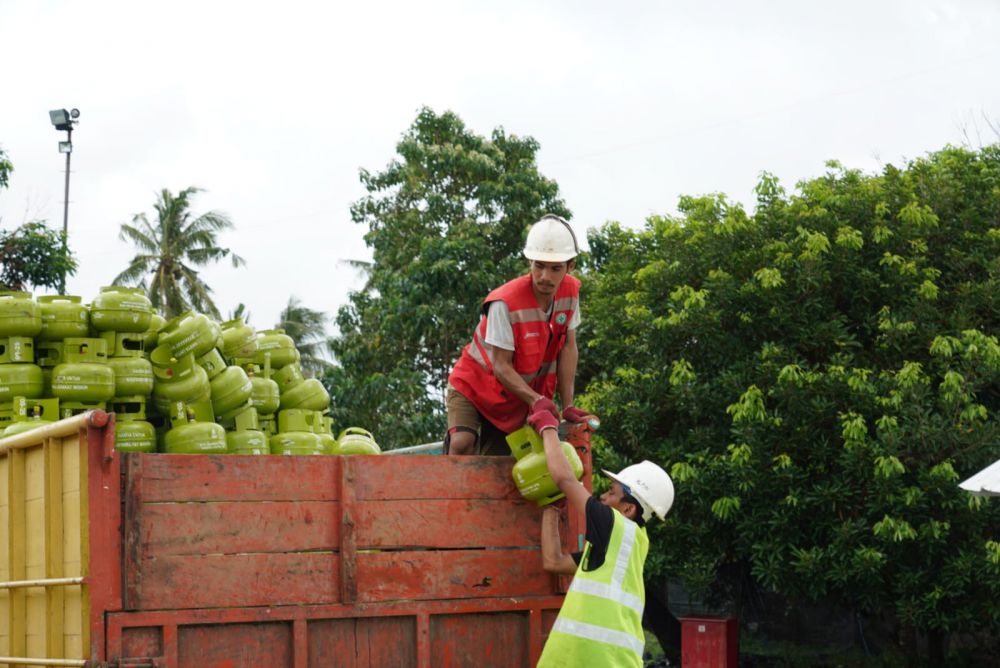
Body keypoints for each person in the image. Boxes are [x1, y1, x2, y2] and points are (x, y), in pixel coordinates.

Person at [527, 406, 675, 668]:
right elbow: (554, 562)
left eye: (611, 492)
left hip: (594, 659)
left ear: (629, 509)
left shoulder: (615, 526)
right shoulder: (628, 543)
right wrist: (550, 505)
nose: (603, 498)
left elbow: (565, 479)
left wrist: (547, 428)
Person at [445, 214, 598, 455]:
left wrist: (567, 405)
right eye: (539, 266)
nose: (545, 276)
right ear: (530, 262)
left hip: (514, 400)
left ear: (570, 266)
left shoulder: (571, 293)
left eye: (555, 268)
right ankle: (448, 489)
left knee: (500, 467)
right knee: (462, 443)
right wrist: (536, 399)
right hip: (474, 387)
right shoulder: (504, 303)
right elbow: (501, 365)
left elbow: (568, 347)